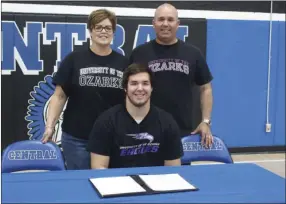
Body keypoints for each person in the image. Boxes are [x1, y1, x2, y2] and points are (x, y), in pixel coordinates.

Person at [41, 9, 129, 170]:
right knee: (79, 186)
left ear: (114, 32)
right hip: (77, 139)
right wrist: (50, 126)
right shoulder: (74, 59)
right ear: (90, 31)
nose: (103, 31)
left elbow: (131, 99)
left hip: (113, 138)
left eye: (108, 28)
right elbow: (59, 96)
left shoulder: (124, 63)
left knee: (111, 185)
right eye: (98, 27)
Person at [129, 3, 214, 148]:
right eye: (161, 19)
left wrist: (205, 121)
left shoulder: (193, 54)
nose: (165, 24)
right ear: (154, 23)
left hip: (182, 131)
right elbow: (128, 90)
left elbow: (206, 88)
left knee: (179, 171)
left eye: (170, 19)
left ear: (178, 24)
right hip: (145, 129)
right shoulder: (139, 53)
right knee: (146, 171)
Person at [87, 63, 183, 169]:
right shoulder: (105, 122)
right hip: (117, 184)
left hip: (155, 184)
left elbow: (173, 170)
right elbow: (99, 168)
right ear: (125, 88)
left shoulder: (167, 122)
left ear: (151, 88)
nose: (140, 88)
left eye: (145, 83)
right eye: (134, 83)